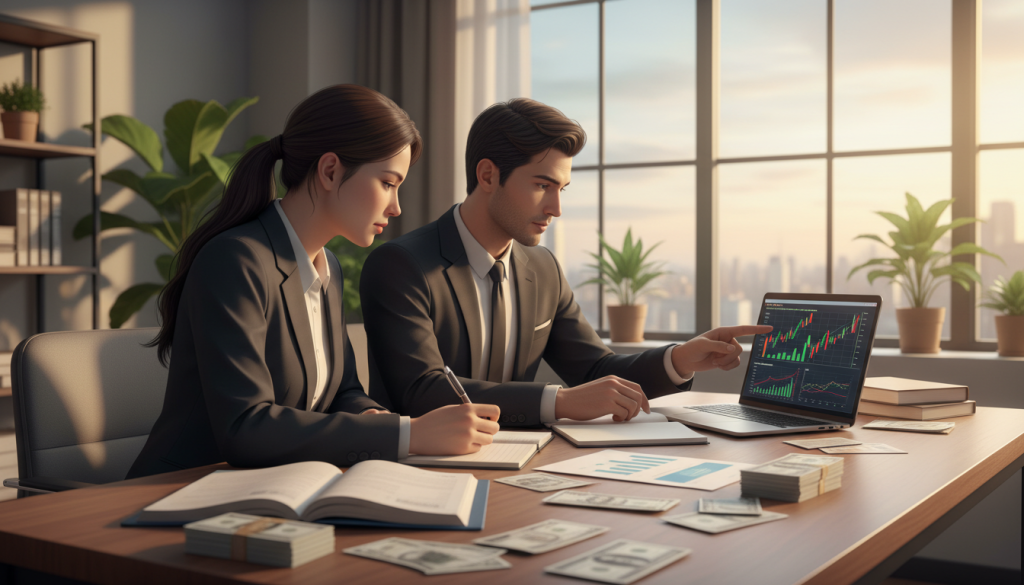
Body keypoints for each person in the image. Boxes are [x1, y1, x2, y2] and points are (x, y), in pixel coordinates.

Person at [126, 85, 499, 479]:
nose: (396, 207)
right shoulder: (235, 260)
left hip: (275, 482)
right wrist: (409, 434)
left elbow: (343, 391)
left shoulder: (327, 267)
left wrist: (374, 418)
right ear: (330, 171)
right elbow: (244, 426)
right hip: (182, 486)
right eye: (388, 183)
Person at [360, 98, 770, 426]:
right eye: (542, 186)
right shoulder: (401, 265)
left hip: (524, 466)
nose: (556, 208)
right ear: (487, 176)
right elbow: (423, 392)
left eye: (562, 189)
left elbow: (595, 370)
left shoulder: (543, 270)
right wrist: (559, 402)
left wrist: (678, 359)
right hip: (426, 468)